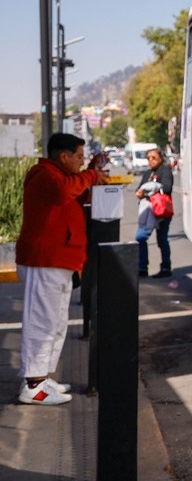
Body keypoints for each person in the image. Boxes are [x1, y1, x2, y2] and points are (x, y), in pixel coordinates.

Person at [15, 132, 108, 405]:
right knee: (42, 321)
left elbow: (71, 192)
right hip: (45, 260)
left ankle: (41, 378)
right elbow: (62, 192)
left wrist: (90, 172)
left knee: (55, 322)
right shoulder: (44, 175)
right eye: (79, 157)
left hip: (60, 260)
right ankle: (32, 385)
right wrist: (91, 175)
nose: (81, 162)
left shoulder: (61, 176)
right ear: (63, 156)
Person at [135, 147, 173, 278]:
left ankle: (166, 267)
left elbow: (167, 188)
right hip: (148, 212)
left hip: (161, 211)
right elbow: (139, 189)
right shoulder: (147, 173)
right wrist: (140, 193)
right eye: (148, 158)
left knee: (162, 240)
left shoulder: (165, 171)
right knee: (140, 238)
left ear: (161, 158)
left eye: (154, 157)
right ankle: (142, 267)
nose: (150, 160)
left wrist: (149, 190)